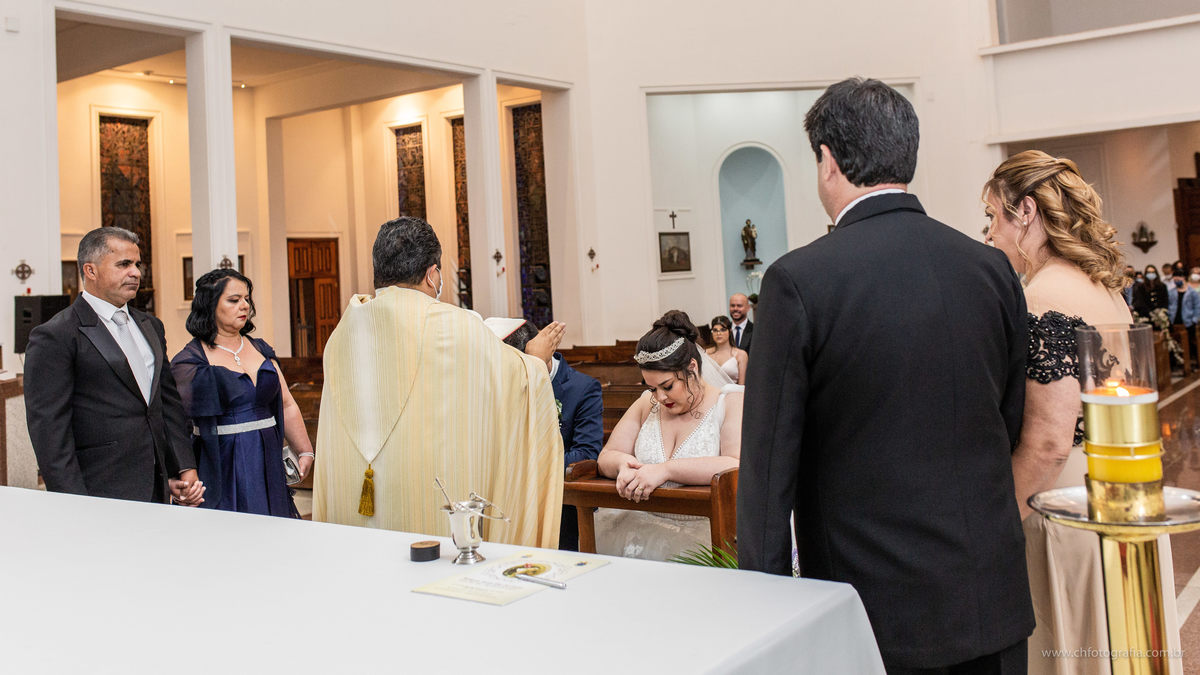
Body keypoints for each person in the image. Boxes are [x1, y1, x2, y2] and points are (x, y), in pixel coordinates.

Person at [738, 78, 1033, 672]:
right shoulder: (989, 269)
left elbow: (769, 470)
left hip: (874, 612)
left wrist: (766, 610)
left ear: (828, 161)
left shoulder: (799, 281)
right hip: (989, 598)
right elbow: (1007, 418)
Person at [984, 149, 1182, 673]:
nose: (990, 233)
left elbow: (1050, 442)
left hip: (1066, 501)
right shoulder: (1105, 287)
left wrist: (997, 523)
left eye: (993, 216)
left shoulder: (1043, 295)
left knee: (1074, 646)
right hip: (1124, 489)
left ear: (1026, 211)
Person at [312, 217, 566, 548]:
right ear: (432, 274)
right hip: (424, 505)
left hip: (355, 497)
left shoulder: (342, 334)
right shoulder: (454, 327)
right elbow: (514, 385)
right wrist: (535, 360)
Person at [25, 226, 203, 505]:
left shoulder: (150, 326)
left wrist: (183, 466)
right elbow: (50, 433)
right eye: (124, 264)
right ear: (91, 270)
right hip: (98, 489)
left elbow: (167, 403)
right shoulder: (56, 335)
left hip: (157, 486)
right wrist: (73, 503)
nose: (136, 273)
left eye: (137, 264)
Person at [595, 310, 742, 561]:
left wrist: (666, 470)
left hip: (706, 537)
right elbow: (607, 455)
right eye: (652, 388)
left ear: (692, 367)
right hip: (639, 531)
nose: (660, 397)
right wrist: (623, 465)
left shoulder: (730, 401)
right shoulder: (646, 403)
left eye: (667, 386)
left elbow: (734, 464)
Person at [170, 269, 313, 517]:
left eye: (246, 298)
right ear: (210, 305)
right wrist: (181, 473)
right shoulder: (190, 363)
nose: (244, 305)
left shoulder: (260, 348)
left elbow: (286, 403)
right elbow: (174, 423)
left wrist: (305, 449)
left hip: (267, 457)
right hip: (223, 461)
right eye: (234, 300)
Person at [486, 317, 603, 551]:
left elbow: (586, 455)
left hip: (559, 504)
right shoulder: (496, 383)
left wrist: (522, 466)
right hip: (504, 500)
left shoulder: (582, 388)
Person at [1167, 267, 1200, 371]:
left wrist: (1194, 319)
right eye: (1175, 279)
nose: (1177, 281)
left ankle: (1191, 363)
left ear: (1184, 278)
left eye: (1178, 279)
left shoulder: (1192, 292)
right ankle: (1179, 363)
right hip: (1175, 321)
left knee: (1190, 344)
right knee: (1176, 344)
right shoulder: (1171, 292)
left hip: (1188, 322)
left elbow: (1197, 307)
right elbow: (1169, 305)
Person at [705, 315, 747, 384]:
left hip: (734, 390)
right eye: (715, 330)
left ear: (730, 331)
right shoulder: (706, 353)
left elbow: (742, 385)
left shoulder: (741, 354)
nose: (718, 333)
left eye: (723, 330)